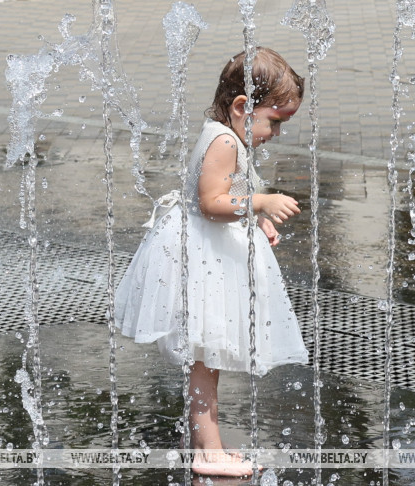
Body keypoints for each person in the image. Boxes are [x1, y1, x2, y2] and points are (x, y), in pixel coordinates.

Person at [114, 47, 308, 477]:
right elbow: (210, 202)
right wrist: (262, 200)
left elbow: (228, 197)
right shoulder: (224, 141)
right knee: (206, 359)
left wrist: (257, 220)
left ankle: (201, 440)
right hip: (202, 262)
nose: (275, 133)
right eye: (275, 121)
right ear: (243, 107)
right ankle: (208, 451)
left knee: (207, 358)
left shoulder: (226, 135)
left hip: (207, 255)